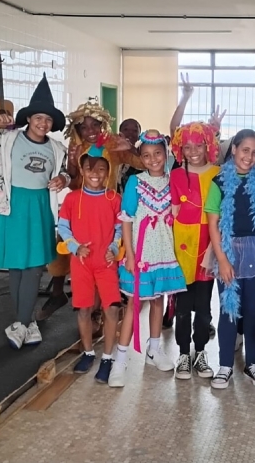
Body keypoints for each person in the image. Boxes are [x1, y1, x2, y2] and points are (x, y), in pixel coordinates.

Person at [0, 73, 70, 349]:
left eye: (48, 119)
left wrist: (64, 179)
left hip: (40, 207)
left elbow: (66, 172)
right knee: (17, 267)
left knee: (34, 268)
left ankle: (21, 323)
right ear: (28, 119)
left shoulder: (57, 148)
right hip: (10, 206)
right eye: (38, 118)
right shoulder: (5, 139)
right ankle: (26, 323)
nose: (43, 123)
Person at [38, 101, 139, 322]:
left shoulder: (113, 144)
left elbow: (141, 163)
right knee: (64, 252)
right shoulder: (76, 146)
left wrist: (130, 147)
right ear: (77, 130)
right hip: (79, 208)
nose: (90, 131)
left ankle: (98, 311)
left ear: (103, 125)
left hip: (106, 210)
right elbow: (74, 180)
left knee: (103, 258)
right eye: (84, 127)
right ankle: (58, 294)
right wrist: (71, 166)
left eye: (95, 125)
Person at [108, 130, 187, 387]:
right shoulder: (135, 182)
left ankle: (154, 349)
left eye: (157, 153)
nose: (153, 159)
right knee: (134, 304)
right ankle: (120, 360)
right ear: (140, 158)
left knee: (157, 301)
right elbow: (127, 220)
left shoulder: (173, 180)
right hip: (141, 252)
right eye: (146, 155)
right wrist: (130, 255)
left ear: (166, 153)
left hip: (164, 251)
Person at [205, 130, 255, 390]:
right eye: (245, 150)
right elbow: (213, 225)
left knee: (253, 310)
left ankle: (253, 363)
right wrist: (222, 260)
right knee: (229, 308)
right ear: (234, 149)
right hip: (228, 251)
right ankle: (225, 365)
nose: (250, 156)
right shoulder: (219, 182)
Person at [57, 151, 122, 383]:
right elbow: (63, 227)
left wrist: (114, 248)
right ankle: (87, 353)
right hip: (81, 263)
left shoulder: (114, 198)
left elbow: (120, 228)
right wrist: (75, 247)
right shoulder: (72, 198)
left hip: (106, 263)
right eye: (89, 169)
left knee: (112, 309)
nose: (95, 174)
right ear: (82, 171)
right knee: (83, 309)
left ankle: (107, 358)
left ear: (108, 172)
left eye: (101, 169)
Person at [169, 121, 220, 381]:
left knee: (203, 306)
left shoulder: (218, 174)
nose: (193, 152)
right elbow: (173, 212)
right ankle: (183, 354)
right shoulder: (176, 175)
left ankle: (200, 351)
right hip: (182, 246)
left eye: (198, 146)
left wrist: (215, 246)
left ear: (208, 145)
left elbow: (221, 214)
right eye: (187, 147)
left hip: (209, 244)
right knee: (182, 305)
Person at [117, 118, 143, 193]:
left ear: (139, 136)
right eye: (126, 129)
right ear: (120, 133)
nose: (130, 133)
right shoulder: (111, 153)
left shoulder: (142, 154)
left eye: (135, 130)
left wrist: (131, 148)